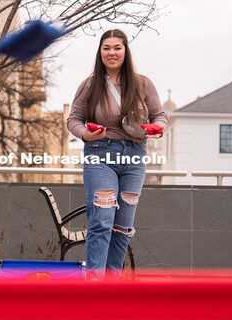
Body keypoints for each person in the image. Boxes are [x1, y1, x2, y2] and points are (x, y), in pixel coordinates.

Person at [67, 29, 168, 280]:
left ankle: (112, 287)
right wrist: (86, 135)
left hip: (134, 156)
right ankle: (94, 284)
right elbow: (74, 120)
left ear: (126, 51)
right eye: (106, 48)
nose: (111, 52)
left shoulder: (142, 83)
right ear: (100, 52)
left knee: (122, 227)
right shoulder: (90, 85)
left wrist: (158, 129)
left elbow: (160, 116)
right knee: (101, 221)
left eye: (117, 48)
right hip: (100, 155)